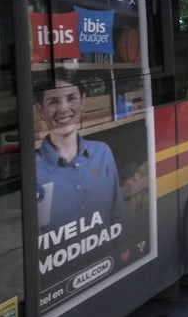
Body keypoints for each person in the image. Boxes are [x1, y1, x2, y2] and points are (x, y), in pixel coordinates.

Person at [34, 70, 126, 235]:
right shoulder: (33, 169)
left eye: (71, 98)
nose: (63, 109)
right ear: (40, 110)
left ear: (83, 101)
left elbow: (117, 216)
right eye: (53, 102)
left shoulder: (103, 152)